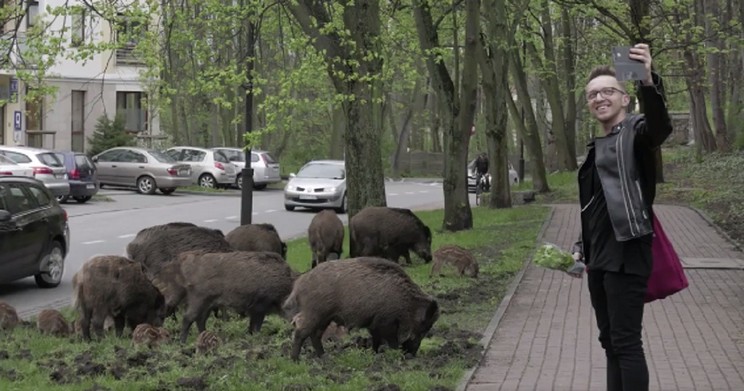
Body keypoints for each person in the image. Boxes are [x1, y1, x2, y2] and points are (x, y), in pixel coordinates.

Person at [571, 43, 672, 391]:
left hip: (627, 254)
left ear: (624, 98)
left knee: (626, 344)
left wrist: (647, 80)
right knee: (610, 343)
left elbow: (659, 127)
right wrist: (580, 245)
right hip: (598, 258)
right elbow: (597, 207)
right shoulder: (596, 146)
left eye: (608, 91)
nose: (599, 98)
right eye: (592, 94)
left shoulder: (636, 132)